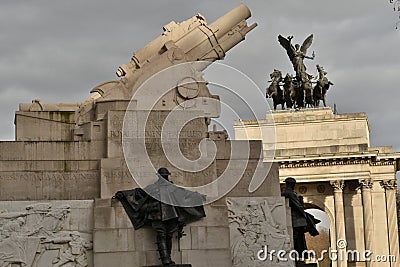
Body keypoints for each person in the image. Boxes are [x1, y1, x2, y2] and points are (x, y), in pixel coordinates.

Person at [114, 167, 206, 266]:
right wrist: (123, 194)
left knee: (168, 236)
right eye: (163, 176)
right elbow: (138, 193)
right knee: (162, 235)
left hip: (171, 216)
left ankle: (168, 259)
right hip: (156, 214)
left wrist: (197, 197)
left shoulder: (172, 187)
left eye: (165, 176)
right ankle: (166, 260)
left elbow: (185, 194)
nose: (164, 178)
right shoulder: (153, 188)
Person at [281, 177, 308, 261]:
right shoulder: (290, 193)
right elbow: (298, 206)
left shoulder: (290, 193)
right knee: (297, 239)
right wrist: (305, 215)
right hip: (295, 220)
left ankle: (297, 255)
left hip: (295, 220)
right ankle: (296, 255)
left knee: (298, 239)